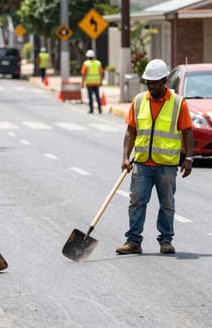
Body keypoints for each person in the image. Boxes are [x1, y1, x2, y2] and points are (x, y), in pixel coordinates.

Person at [116, 59, 194, 255]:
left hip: (166, 165)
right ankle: (133, 241)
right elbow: (130, 131)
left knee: (167, 204)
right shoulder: (139, 100)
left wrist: (189, 158)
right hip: (141, 163)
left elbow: (187, 132)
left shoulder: (178, 103)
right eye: (148, 82)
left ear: (164, 80)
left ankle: (166, 240)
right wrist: (126, 156)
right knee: (136, 202)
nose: (151, 85)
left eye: (155, 82)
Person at [81, 49, 103, 114]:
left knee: (90, 97)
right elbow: (101, 73)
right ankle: (99, 109)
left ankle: (91, 109)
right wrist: (101, 81)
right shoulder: (98, 63)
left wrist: (82, 82)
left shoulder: (86, 64)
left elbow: (83, 74)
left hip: (89, 83)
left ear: (87, 56)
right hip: (96, 82)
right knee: (97, 96)